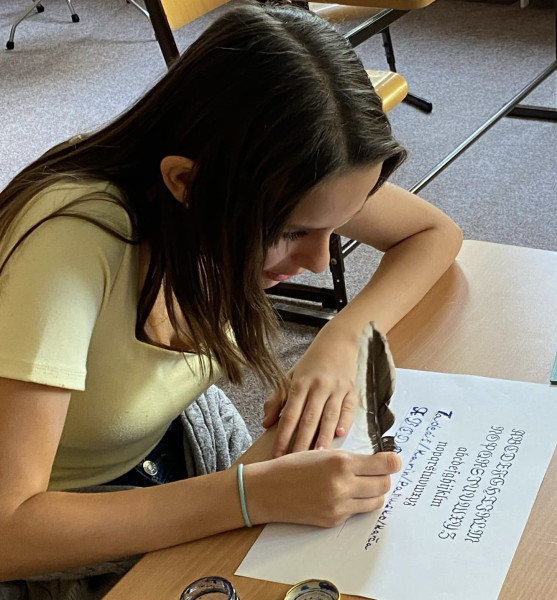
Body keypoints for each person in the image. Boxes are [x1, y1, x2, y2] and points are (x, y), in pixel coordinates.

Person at [0, 0, 462, 588]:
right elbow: (9, 532)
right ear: (185, 182)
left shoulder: (262, 185)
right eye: (290, 232)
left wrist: (340, 338)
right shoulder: (69, 241)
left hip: (164, 448)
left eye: (335, 226)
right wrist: (246, 497)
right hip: (57, 518)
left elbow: (433, 234)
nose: (318, 262)